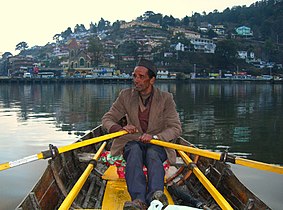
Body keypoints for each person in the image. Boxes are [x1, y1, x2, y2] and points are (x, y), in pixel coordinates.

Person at [102, 58, 182, 210]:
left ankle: (155, 198)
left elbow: (175, 128)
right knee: (134, 151)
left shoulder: (166, 99)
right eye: (134, 76)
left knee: (152, 154)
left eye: (141, 77)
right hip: (132, 141)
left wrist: (155, 137)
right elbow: (107, 119)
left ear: (152, 80)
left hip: (157, 144)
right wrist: (119, 129)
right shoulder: (125, 96)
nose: (135, 80)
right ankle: (138, 200)